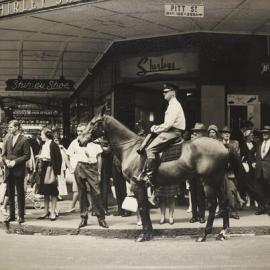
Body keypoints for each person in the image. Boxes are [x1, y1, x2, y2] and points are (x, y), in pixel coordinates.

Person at [138, 83, 186, 185]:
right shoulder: (173, 104)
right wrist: (157, 127)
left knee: (150, 149)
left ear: (173, 93)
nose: (163, 93)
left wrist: (155, 129)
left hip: (173, 132)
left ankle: (148, 176)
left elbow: (168, 125)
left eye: (166, 92)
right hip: (172, 130)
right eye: (163, 92)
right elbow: (167, 124)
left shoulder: (174, 105)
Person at [71, 123, 109, 229]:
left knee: (96, 193)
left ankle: (101, 218)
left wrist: (99, 172)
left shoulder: (95, 143)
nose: (79, 133)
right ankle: (84, 218)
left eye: (81, 131)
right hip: (80, 167)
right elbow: (69, 154)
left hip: (92, 168)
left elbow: (99, 158)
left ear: (87, 131)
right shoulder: (75, 143)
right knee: (81, 193)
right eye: (78, 131)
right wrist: (73, 168)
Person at [2, 120, 30, 224]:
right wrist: (6, 161)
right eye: (9, 127)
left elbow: (27, 155)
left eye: (11, 127)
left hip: (18, 169)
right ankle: (12, 215)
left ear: (17, 127)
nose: (9, 129)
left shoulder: (24, 139)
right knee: (10, 193)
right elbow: (3, 153)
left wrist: (15, 162)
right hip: (9, 169)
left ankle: (21, 216)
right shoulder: (7, 138)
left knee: (20, 193)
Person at [37, 127, 62, 221]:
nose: (40, 136)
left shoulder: (53, 144)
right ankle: (46, 211)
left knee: (52, 192)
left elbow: (57, 158)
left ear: (46, 135)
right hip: (44, 168)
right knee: (45, 192)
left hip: (50, 168)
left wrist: (56, 172)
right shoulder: (45, 145)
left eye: (41, 134)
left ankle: (52, 212)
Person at [220, 126, 241, 219]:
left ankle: (233, 211)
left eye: (228, 133)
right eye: (225, 132)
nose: (227, 134)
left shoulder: (234, 144)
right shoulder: (218, 144)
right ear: (221, 134)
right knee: (221, 193)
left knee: (232, 191)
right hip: (220, 172)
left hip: (231, 172)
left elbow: (237, 158)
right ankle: (222, 211)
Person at [188, 123, 206, 223]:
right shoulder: (190, 144)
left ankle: (202, 216)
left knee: (201, 195)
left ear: (202, 133)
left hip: (201, 173)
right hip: (191, 172)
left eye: (197, 132)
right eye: (194, 132)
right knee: (193, 195)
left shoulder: (204, 144)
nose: (195, 134)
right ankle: (194, 215)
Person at [254, 125, 270, 215]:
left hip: (269, 170)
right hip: (259, 170)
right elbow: (255, 155)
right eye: (263, 132)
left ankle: (269, 208)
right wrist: (253, 162)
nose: (264, 134)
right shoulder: (259, 143)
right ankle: (261, 208)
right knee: (259, 189)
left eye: (266, 132)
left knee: (268, 189)